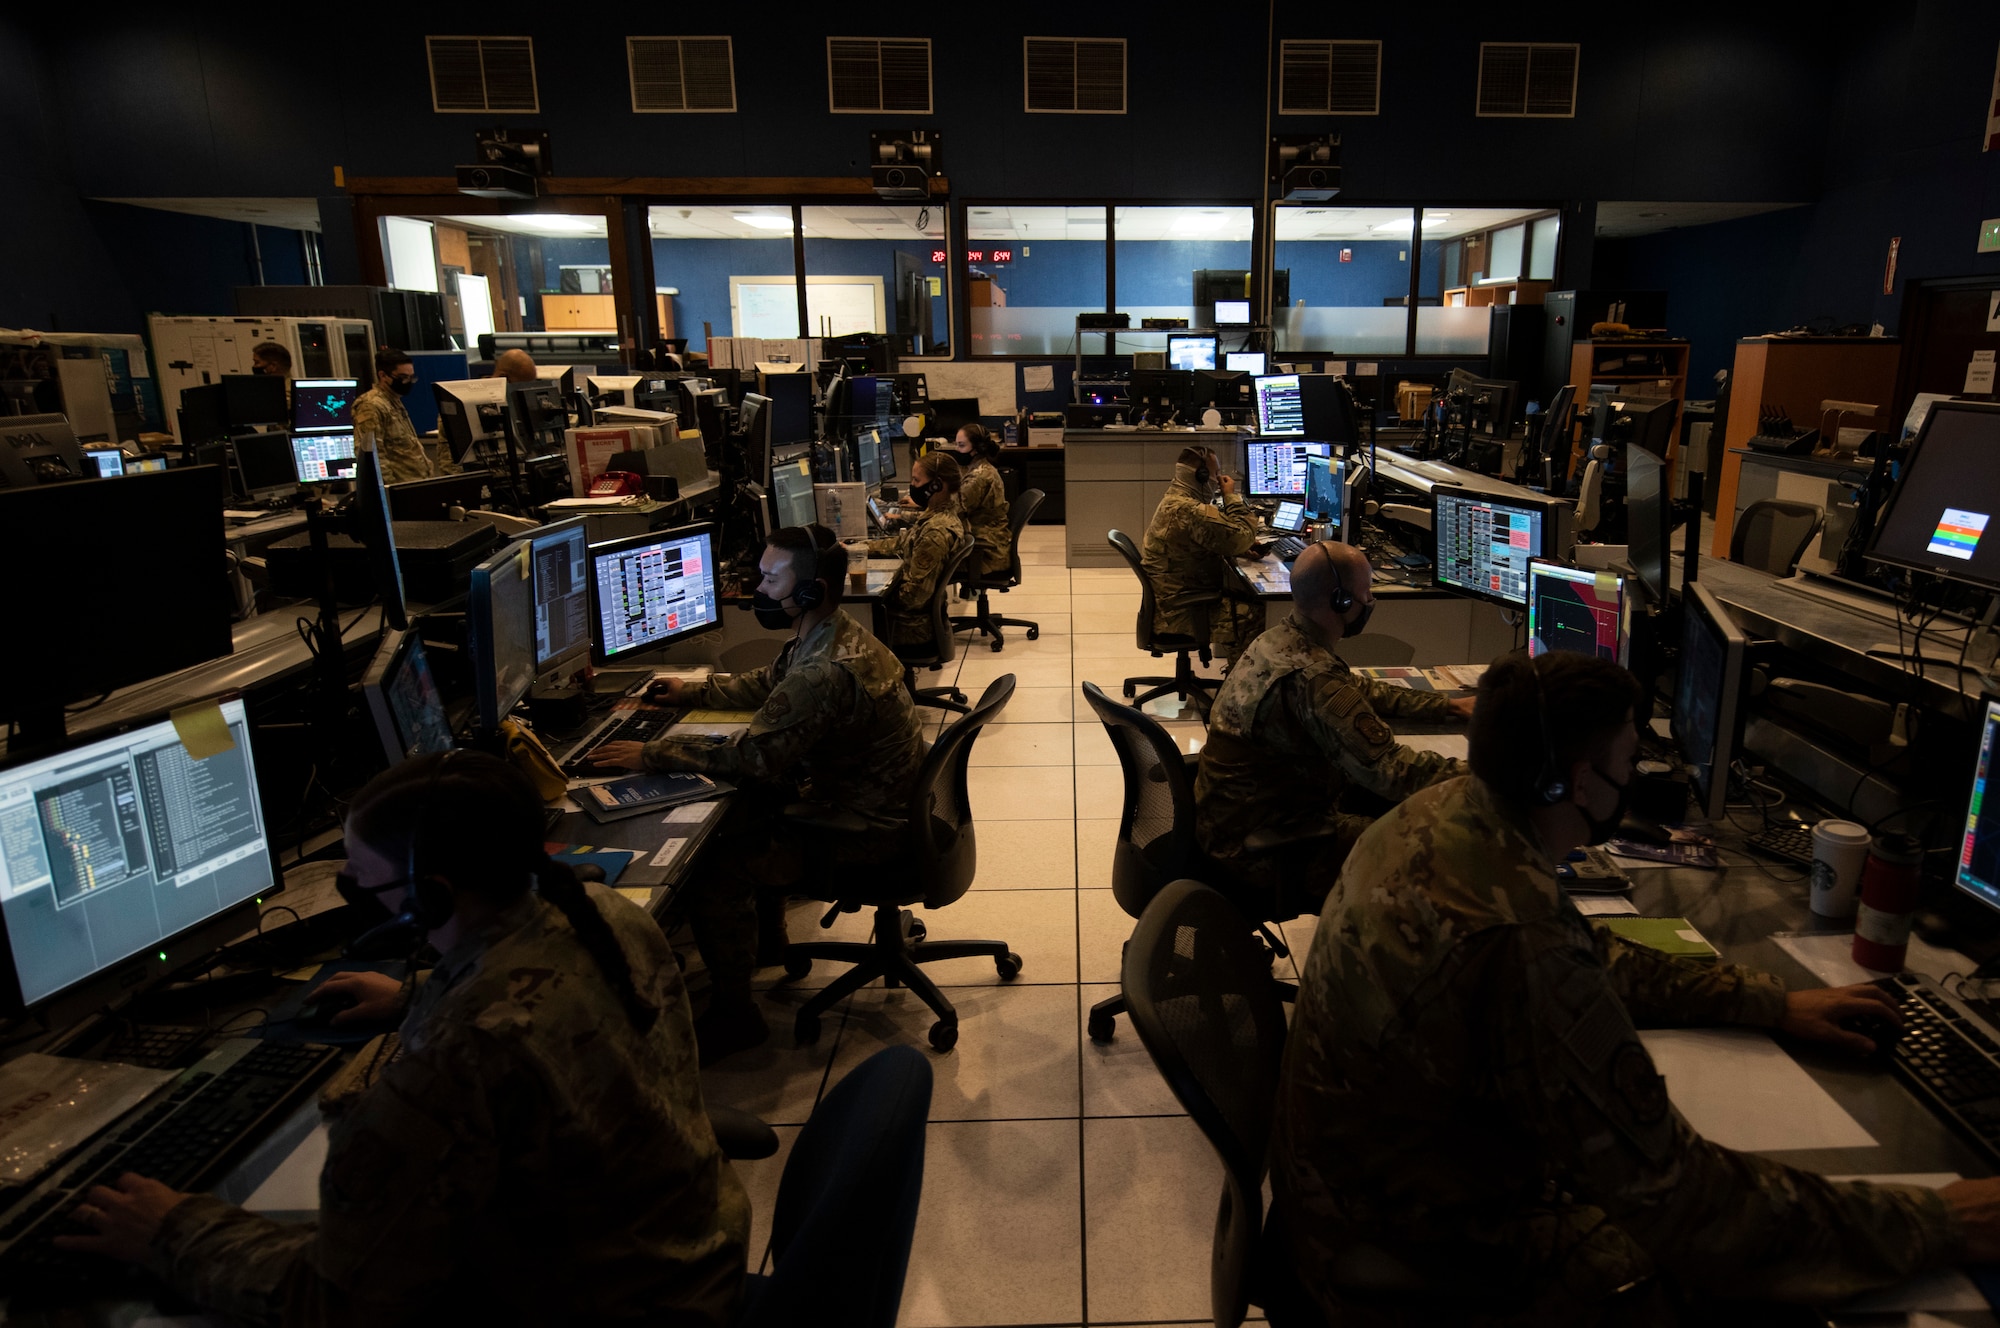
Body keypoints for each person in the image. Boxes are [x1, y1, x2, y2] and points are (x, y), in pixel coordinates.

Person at [1270, 649, 2000, 1324]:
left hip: (1353, 1193)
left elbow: (1596, 957)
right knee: (1741, 1284)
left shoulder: (1447, 818)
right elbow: (1686, 1198)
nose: (1638, 772)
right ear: (1578, 780)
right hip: (1410, 1246)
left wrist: (1771, 1001)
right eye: (1629, 755)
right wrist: (1938, 1222)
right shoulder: (1517, 940)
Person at [59, 752, 749, 1326]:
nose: (354, 892)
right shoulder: (598, 910)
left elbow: (341, 1300)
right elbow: (538, 1006)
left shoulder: (465, 1051)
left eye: (360, 881)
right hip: (684, 1261)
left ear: (432, 895)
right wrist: (425, 995)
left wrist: (171, 1232)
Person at [591, 526, 926, 1063]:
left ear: (811, 590)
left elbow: (753, 757)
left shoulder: (823, 669)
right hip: (885, 806)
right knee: (755, 806)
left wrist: (651, 754)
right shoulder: (832, 634)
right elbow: (770, 683)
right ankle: (769, 944)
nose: (760, 591)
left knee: (717, 860)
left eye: (772, 579)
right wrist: (692, 690)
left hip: (868, 832)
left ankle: (736, 1016)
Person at [1194, 540, 1471, 913]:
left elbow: (1355, 689)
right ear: (1341, 601)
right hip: (1263, 849)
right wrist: (1489, 774)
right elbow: (1390, 770)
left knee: (1388, 806)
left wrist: (1447, 706)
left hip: (1231, 822)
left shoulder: (1279, 639)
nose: (1370, 601)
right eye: (1366, 593)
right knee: (1433, 850)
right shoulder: (1314, 676)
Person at [1140, 445, 1261, 666]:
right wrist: (1231, 496)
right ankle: (1239, 692)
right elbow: (1242, 536)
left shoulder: (1175, 498)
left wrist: (1236, 545)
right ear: (1201, 476)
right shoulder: (1188, 510)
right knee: (1257, 616)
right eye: (1216, 475)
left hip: (1168, 605)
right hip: (1178, 615)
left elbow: (1212, 536)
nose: (1218, 480)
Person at [865, 451, 971, 648]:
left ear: (936, 485)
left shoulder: (935, 532)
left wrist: (875, 593)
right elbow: (900, 543)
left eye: (916, 480)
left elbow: (914, 597)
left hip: (911, 627)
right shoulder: (937, 514)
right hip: (913, 619)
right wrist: (860, 548)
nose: (912, 486)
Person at [353, 346, 448, 486]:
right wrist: (389, 492)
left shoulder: (393, 401)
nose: (407, 382)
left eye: (411, 377)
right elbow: (374, 458)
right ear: (383, 376)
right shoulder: (371, 405)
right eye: (402, 377)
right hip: (398, 489)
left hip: (414, 484)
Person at [943, 423, 1012, 577]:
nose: (957, 450)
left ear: (976, 449)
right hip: (992, 543)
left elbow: (950, 511)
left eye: (961, 445)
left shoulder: (978, 477)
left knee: (932, 563)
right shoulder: (979, 467)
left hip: (988, 554)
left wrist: (906, 514)